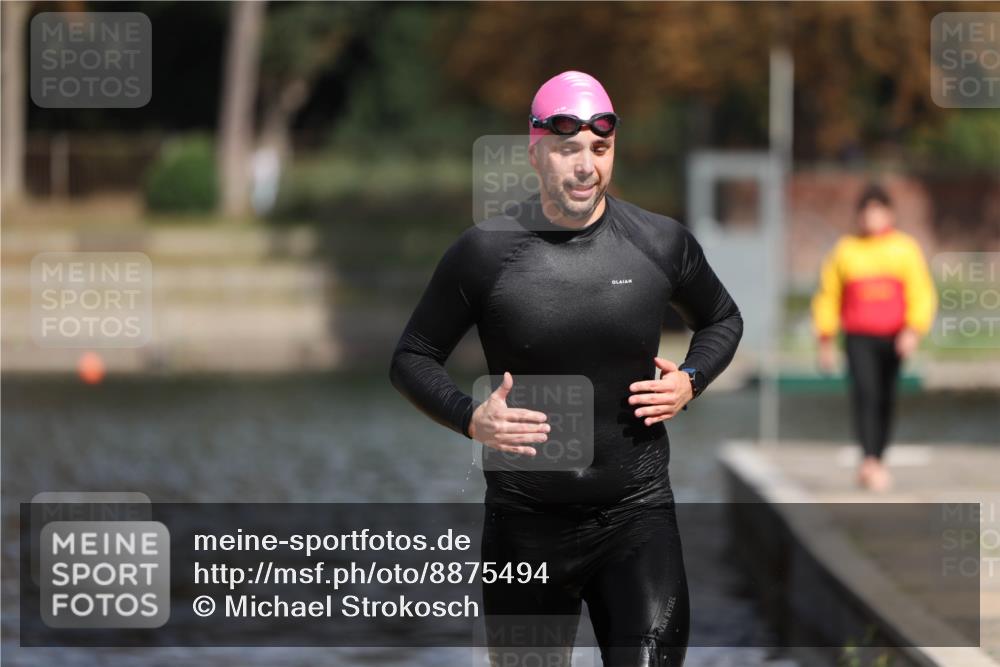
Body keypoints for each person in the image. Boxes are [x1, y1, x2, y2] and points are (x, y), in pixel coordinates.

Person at [390, 70, 743, 667]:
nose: (586, 166)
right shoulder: (485, 252)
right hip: (525, 527)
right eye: (568, 148)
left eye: (600, 149)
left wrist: (691, 379)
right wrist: (471, 419)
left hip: (638, 517)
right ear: (535, 152)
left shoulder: (659, 242)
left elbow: (723, 320)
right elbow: (411, 357)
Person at [811, 183, 937, 492]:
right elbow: (828, 296)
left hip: (893, 337)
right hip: (858, 337)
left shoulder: (905, 248)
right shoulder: (846, 250)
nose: (871, 218)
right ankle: (869, 460)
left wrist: (913, 330)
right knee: (865, 394)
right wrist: (825, 339)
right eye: (866, 212)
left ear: (889, 214)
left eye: (877, 212)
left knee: (885, 398)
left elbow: (921, 292)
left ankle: (878, 457)